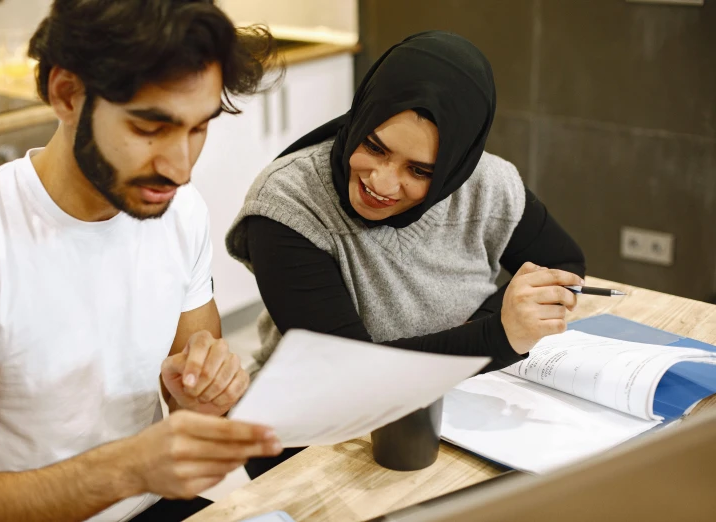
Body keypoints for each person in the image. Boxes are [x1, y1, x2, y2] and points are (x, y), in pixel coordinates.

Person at [0, 1, 284, 521]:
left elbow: (192, 399)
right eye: (150, 128)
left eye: (197, 128)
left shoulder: (178, 209)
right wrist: (127, 469)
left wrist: (205, 390)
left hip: (151, 506)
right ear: (66, 93)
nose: (180, 167)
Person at [226, 31, 586, 478]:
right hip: (318, 432)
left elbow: (565, 265)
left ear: (455, 167)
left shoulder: (487, 186)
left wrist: (488, 324)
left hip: (454, 411)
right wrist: (497, 335)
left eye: (420, 171)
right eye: (374, 146)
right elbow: (347, 373)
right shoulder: (290, 203)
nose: (383, 183)